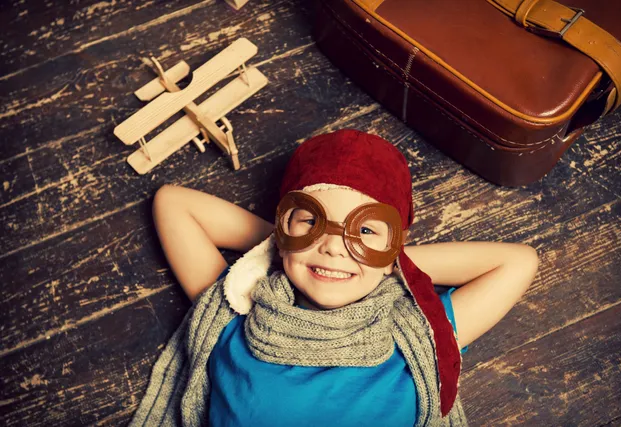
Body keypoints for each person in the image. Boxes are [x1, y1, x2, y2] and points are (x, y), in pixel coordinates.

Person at [131, 130, 538, 427]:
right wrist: (290, 243)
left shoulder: (415, 334)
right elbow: (173, 203)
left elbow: (518, 262)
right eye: (311, 220)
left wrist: (385, 259)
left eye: (365, 231)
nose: (335, 247)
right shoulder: (233, 316)